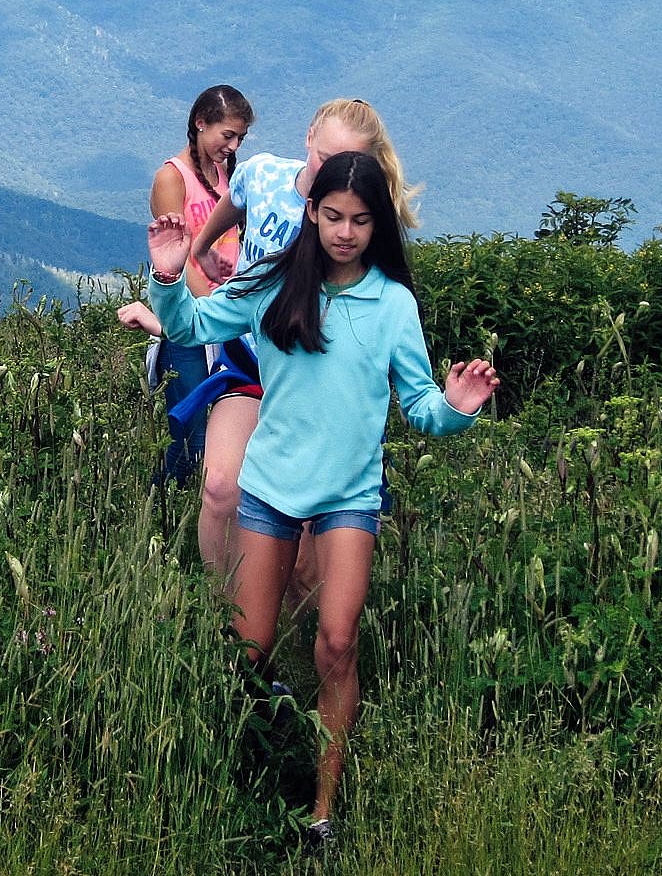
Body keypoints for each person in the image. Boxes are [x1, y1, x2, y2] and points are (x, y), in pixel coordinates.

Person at [145, 150, 498, 845]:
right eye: (333, 216)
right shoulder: (275, 282)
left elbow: (422, 407)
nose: (345, 232)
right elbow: (191, 328)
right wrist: (166, 277)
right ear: (310, 213)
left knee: (337, 644)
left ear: (379, 225)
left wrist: (457, 406)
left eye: (361, 220)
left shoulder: (394, 304)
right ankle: (242, 779)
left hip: (349, 496)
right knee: (252, 650)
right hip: (271, 488)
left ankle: (322, 810)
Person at [175, 98, 421, 582]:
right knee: (221, 488)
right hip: (249, 362)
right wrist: (200, 249)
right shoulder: (265, 174)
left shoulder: (358, 216)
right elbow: (237, 198)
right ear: (307, 137)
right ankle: (224, 616)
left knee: (306, 522)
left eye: (348, 162)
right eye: (324, 156)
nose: (331, 170)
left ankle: (284, 627)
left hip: (313, 373)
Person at [116, 85, 250, 487]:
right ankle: (164, 505)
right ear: (200, 123)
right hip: (192, 315)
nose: (232, 144)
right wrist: (209, 305)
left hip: (228, 311)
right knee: (191, 431)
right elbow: (179, 252)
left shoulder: (227, 174)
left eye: (240, 137)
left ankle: (175, 503)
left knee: (229, 425)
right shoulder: (171, 177)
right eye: (227, 135)